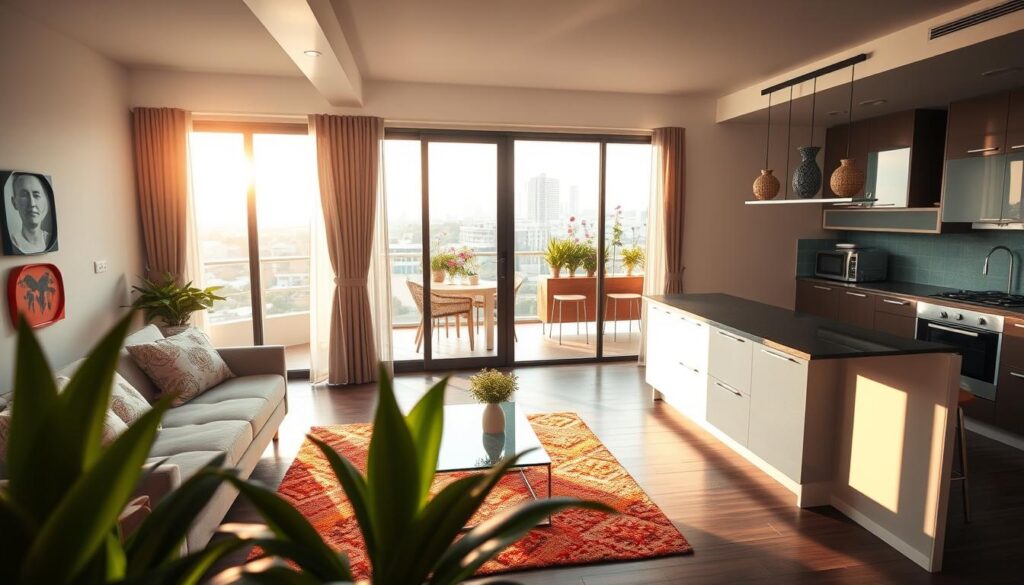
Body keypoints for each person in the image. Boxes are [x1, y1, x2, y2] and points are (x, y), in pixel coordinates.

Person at [8, 173, 52, 254]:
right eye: (24, 195)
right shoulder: (12, 242)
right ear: (14, 202)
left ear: (45, 201)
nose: (32, 204)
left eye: (36, 195)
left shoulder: (49, 238)